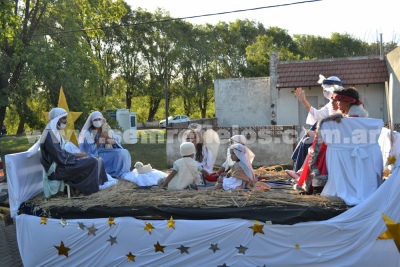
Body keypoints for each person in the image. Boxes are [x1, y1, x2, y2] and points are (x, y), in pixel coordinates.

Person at [295, 87, 368, 194]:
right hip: (349, 148)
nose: (336, 103)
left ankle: (316, 181)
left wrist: (318, 133)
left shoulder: (349, 119)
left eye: (338, 100)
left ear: (347, 102)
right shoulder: (352, 116)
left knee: (320, 148)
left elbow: (340, 136)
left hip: (344, 150)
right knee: (308, 143)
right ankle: (304, 174)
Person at [39, 108, 108, 197]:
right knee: (92, 161)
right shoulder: (49, 134)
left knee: (98, 159)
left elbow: (60, 154)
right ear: (56, 119)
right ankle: (86, 190)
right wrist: (77, 156)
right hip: (57, 171)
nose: (66, 121)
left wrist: (77, 156)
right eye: (64, 118)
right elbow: (60, 157)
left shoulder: (54, 132)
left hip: (62, 165)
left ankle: (92, 187)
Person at [288, 75, 345, 178]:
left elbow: (336, 127)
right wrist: (303, 101)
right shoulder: (331, 104)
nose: (326, 94)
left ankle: (302, 174)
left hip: (335, 138)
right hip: (328, 135)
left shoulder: (342, 105)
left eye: (327, 90)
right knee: (305, 140)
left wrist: (315, 134)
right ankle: (299, 172)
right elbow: (318, 115)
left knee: (308, 142)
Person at [79, 111, 131, 178]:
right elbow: (90, 151)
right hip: (96, 154)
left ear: (102, 120)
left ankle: (122, 172)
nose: (97, 121)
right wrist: (100, 139)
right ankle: (111, 173)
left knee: (124, 152)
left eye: (99, 119)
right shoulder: (89, 133)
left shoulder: (106, 129)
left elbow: (116, 143)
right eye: (95, 120)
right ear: (91, 121)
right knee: (110, 156)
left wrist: (109, 140)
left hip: (105, 150)